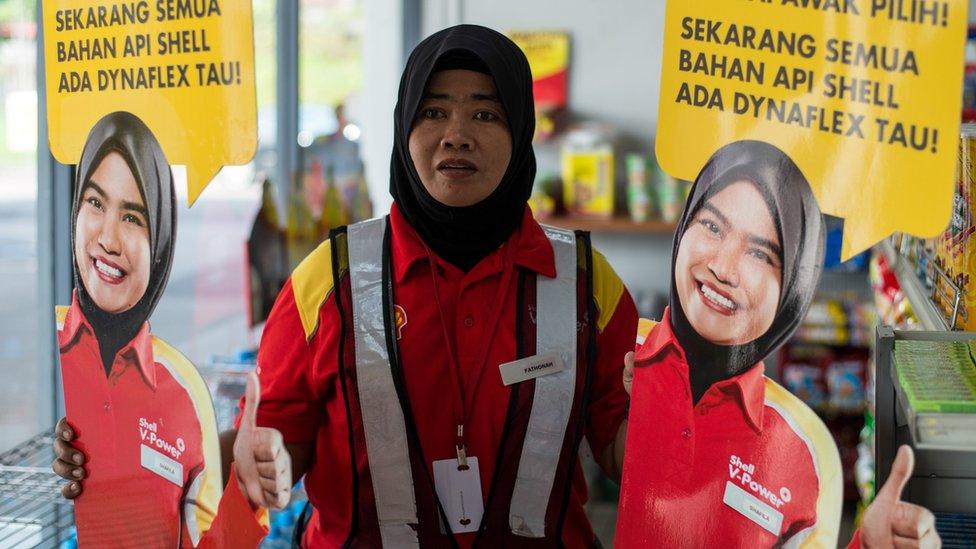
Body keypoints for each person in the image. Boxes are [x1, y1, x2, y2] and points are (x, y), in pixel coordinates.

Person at [223, 24, 638, 547]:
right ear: (403, 128)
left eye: (486, 114)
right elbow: (270, 443)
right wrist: (245, 458)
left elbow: (624, 449)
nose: (457, 134)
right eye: (434, 111)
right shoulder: (329, 279)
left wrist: (669, 419)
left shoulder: (586, 282)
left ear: (522, 132)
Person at [615, 140, 940, 548]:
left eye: (760, 254)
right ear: (684, 228)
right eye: (712, 226)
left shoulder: (807, 449)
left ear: (792, 292)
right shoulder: (614, 351)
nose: (722, 268)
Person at [50, 111, 267, 548]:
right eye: (95, 203)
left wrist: (245, 493)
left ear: (162, 244)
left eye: (133, 218)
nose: (108, 238)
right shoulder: (64, 359)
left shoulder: (184, 391)